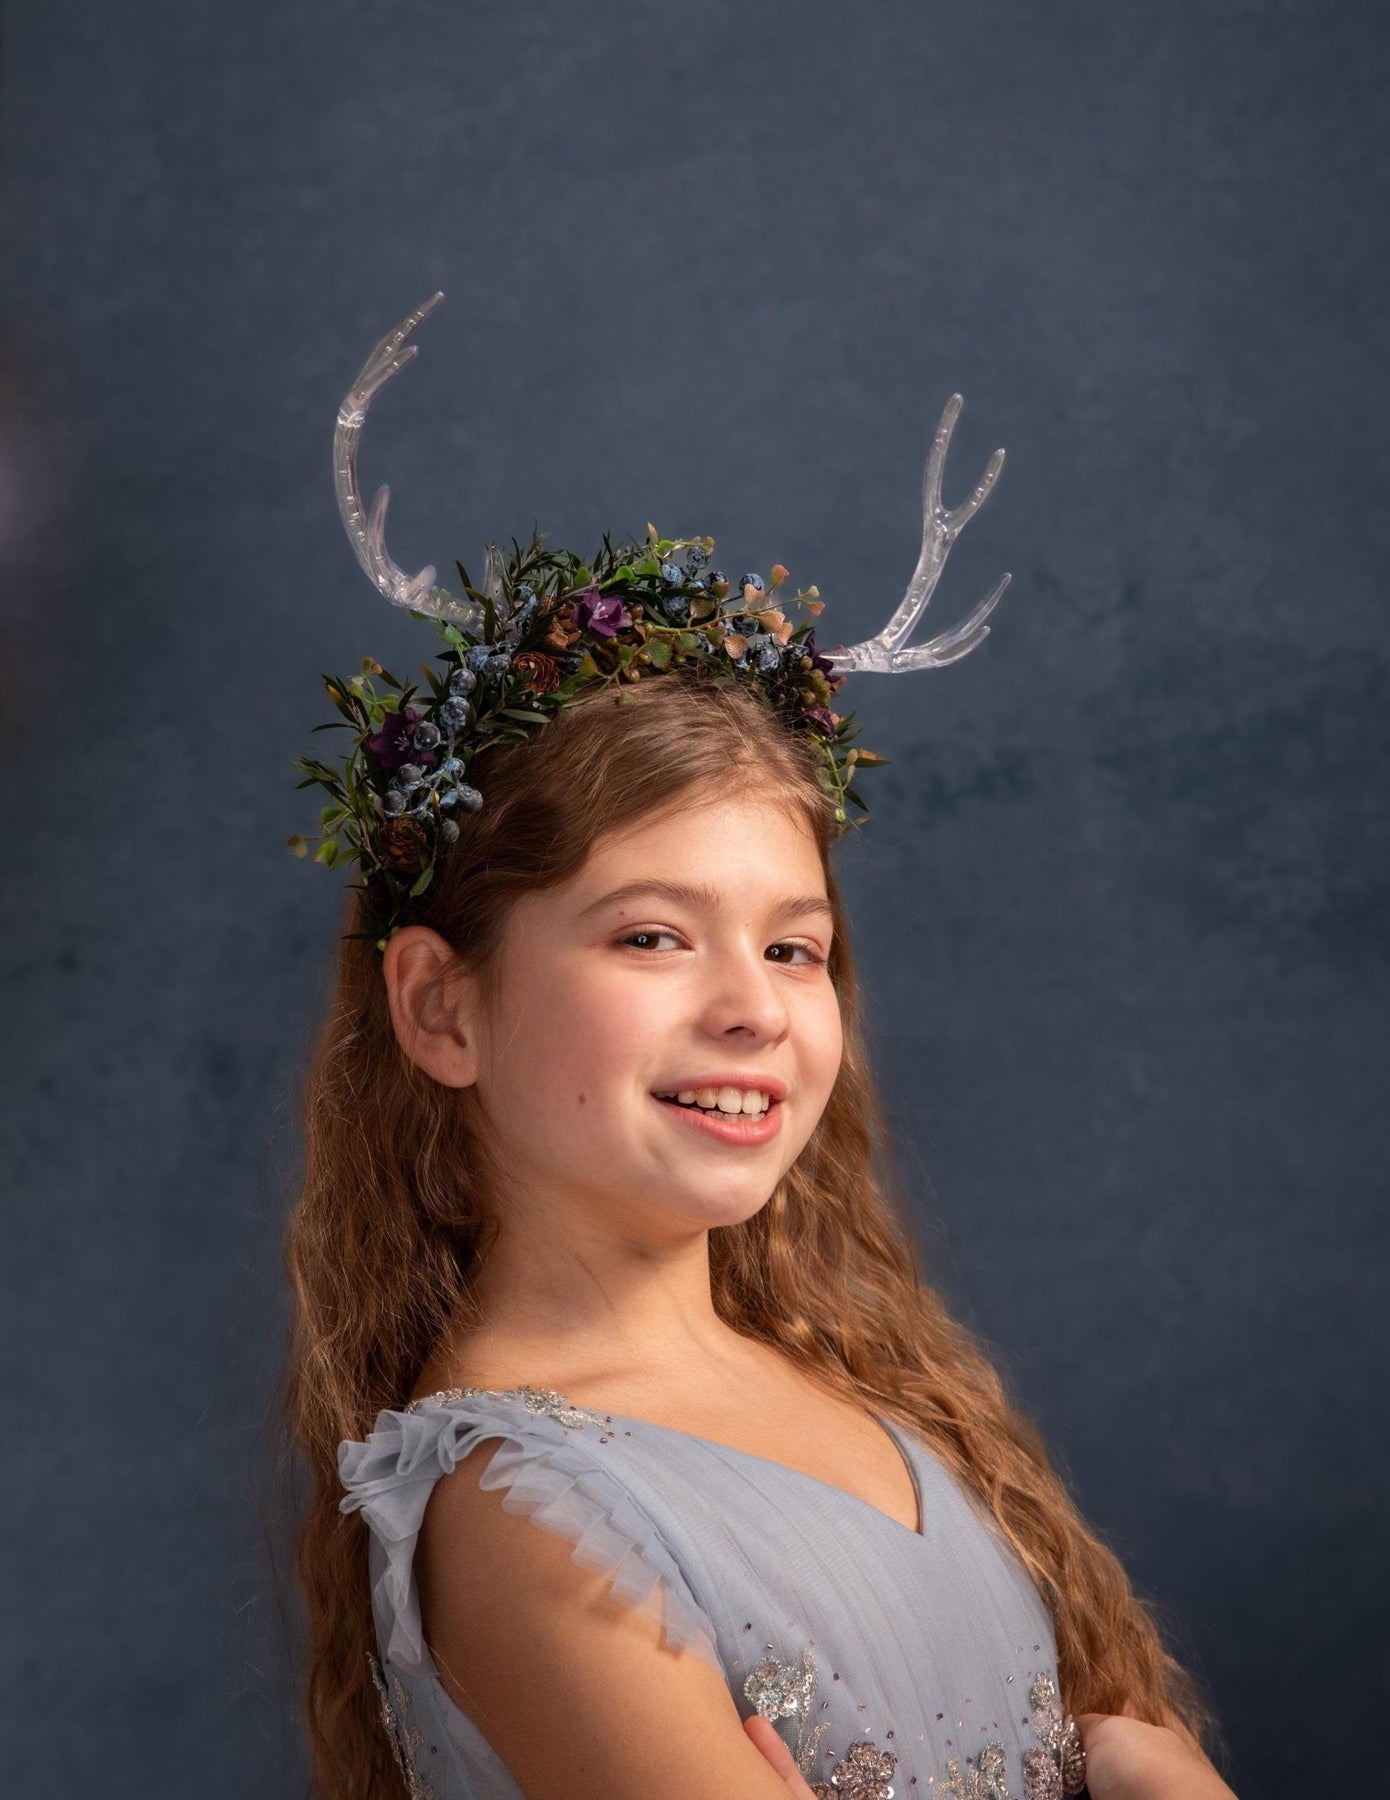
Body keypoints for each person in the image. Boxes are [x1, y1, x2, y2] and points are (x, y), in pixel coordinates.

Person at [282, 298, 1238, 1800]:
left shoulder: (862, 1386)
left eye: (794, 948)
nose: (755, 1007)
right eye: (652, 936)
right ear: (440, 1008)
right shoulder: (528, 1514)